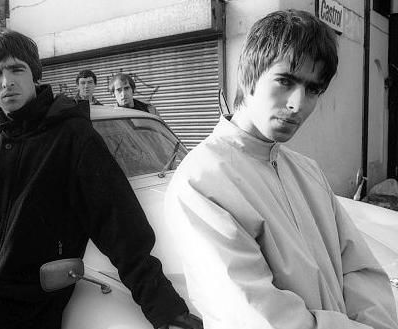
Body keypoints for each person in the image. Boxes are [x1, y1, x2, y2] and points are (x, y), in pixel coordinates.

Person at [0, 28, 202, 329]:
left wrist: (167, 311)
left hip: (28, 318)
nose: (7, 82)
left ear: (35, 74)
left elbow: (121, 227)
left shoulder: (73, 139)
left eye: (17, 69)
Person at [165, 9, 398, 329]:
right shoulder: (202, 181)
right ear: (248, 76)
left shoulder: (307, 171)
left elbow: (359, 269)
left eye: (313, 89)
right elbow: (259, 317)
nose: (298, 104)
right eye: (285, 81)